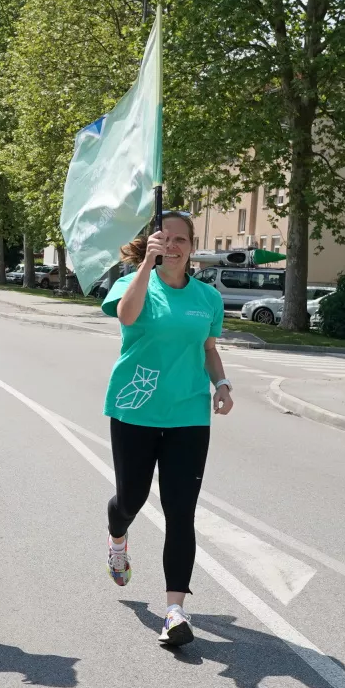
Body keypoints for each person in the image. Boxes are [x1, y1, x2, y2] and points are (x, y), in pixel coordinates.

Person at [99, 211, 233, 647]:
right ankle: (117, 537)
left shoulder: (207, 298)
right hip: (134, 410)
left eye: (181, 240)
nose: (172, 246)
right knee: (131, 498)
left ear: (192, 246)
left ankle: (175, 610)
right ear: (152, 243)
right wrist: (145, 265)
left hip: (188, 415)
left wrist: (222, 384)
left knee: (180, 511)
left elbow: (208, 348)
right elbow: (126, 315)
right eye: (164, 239)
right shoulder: (132, 283)